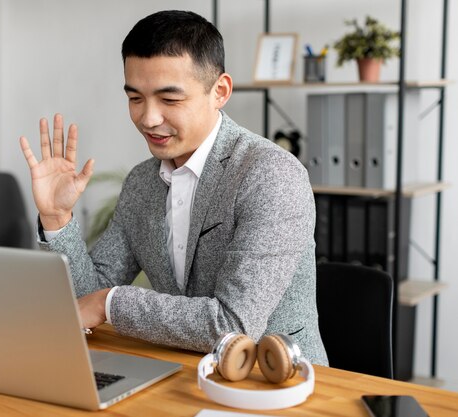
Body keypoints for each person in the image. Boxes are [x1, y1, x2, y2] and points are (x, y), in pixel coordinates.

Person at [20, 10, 328, 364]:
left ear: (220, 91)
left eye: (169, 100)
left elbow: (231, 324)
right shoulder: (141, 182)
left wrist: (112, 302)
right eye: (135, 98)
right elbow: (86, 301)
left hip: (279, 383)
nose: (148, 118)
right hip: (179, 373)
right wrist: (57, 217)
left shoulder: (271, 174)